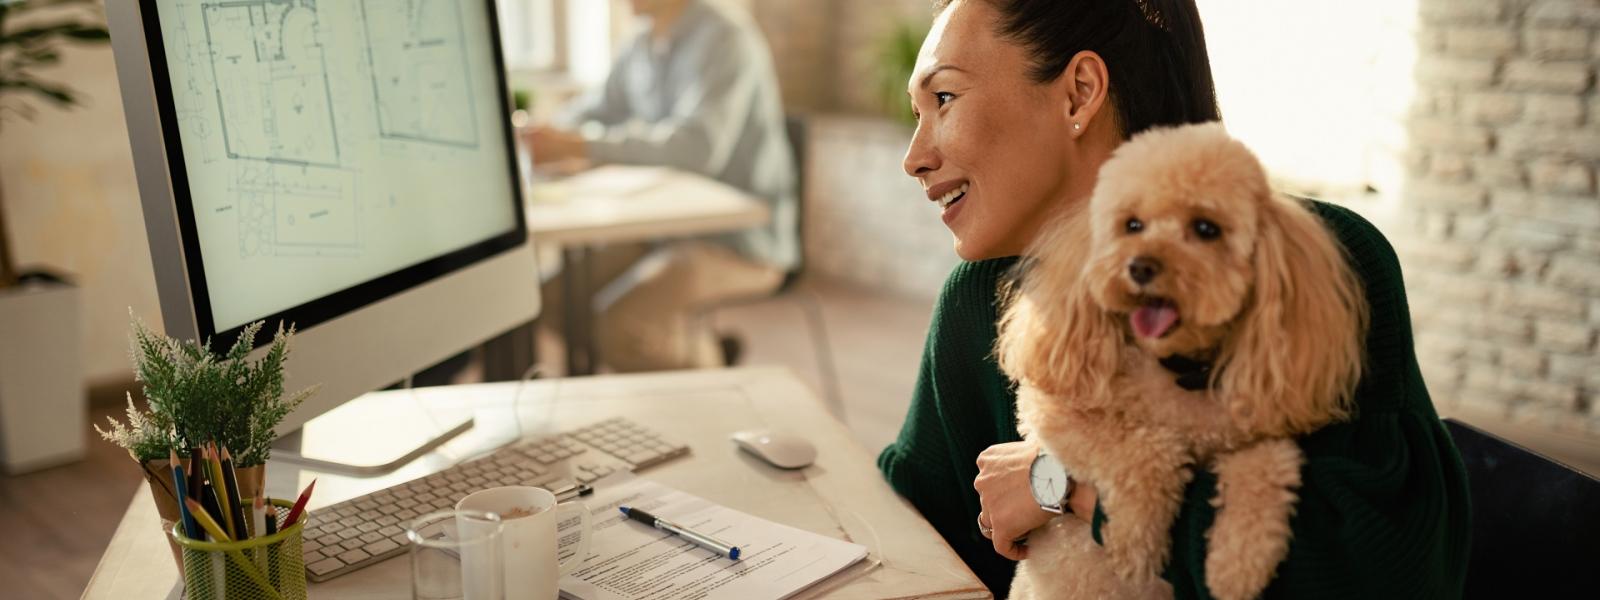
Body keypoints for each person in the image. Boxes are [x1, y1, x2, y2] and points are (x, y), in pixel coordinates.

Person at [875, 0, 1472, 598]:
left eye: (944, 99)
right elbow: (914, 532)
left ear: (1079, 92)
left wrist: (1062, 485)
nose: (915, 156)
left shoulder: (1323, 262)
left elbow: (1385, 570)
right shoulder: (985, 295)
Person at [523, 0, 796, 371]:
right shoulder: (639, 43)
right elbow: (595, 109)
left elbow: (696, 149)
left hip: (737, 240)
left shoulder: (727, 39)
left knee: (622, 326)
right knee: (551, 298)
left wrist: (580, 144)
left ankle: (710, 381)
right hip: (659, 229)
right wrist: (546, 132)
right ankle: (683, 355)